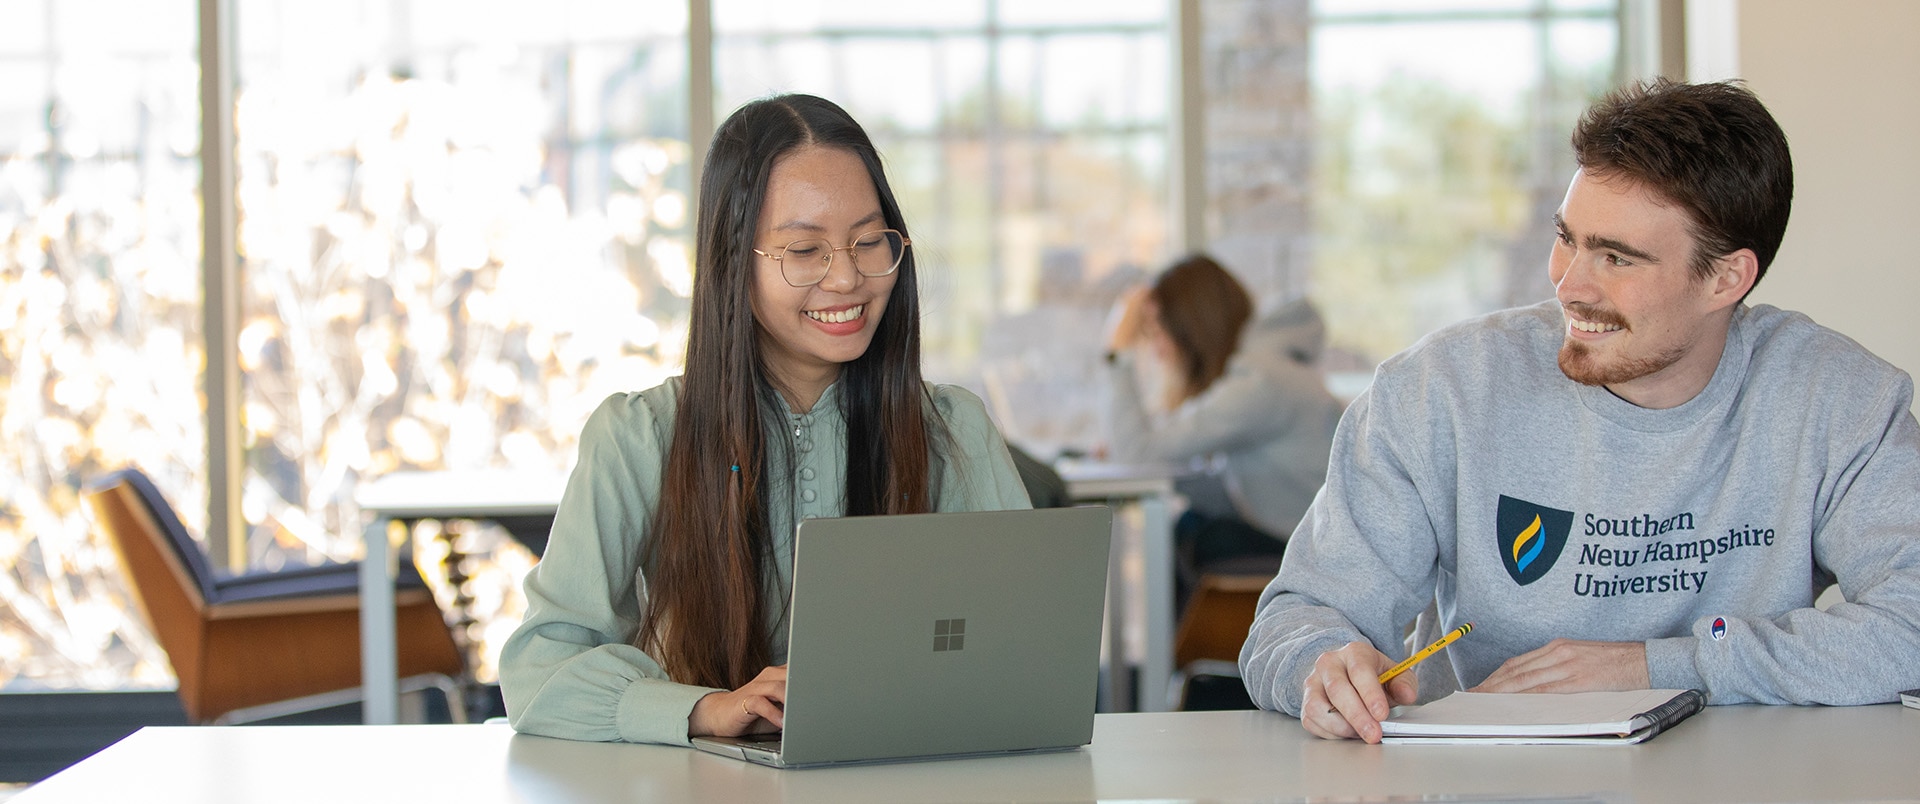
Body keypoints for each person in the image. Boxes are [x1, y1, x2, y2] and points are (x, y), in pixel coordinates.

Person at [1239, 78, 1920, 743]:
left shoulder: (1841, 400)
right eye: (1568, 238)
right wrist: (1319, 665)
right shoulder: (1438, 392)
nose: (1569, 284)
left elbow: (1911, 622)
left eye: (1616, 258)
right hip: (1485, 787)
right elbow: (1298, 618)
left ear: (1726, 278)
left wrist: (1654, 666)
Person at [499, 94, 1031, 745]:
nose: (848, 279)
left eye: (868, 241)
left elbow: (1029, 655)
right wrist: (699, 709)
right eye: (805, 250)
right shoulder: (639, 436)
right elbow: (538, 671)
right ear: (731, 263)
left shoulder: (953, 428)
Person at [1103, 255, 1345, 603]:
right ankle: (1176, 656)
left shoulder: (1259, 381)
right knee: (1191, 523)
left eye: (1158, 334)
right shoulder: (1266, 369)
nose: (1157, 351)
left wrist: (1117, 356)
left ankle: (1175, 656)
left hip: (1315, 552)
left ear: (1191, 329)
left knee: (1201, 536)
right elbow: (1231, 481)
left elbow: (1138, 453)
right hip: (1309, 536)